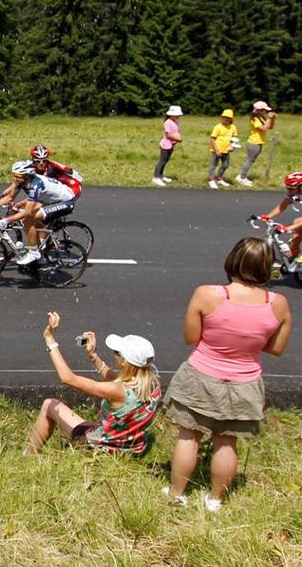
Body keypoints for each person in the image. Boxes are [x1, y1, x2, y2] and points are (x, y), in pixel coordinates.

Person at [164, 238, 291, 511]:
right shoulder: (278, 303)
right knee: (226, 441)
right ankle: (215, 499)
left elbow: (190, 337)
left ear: (233, 259)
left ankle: (177, 493)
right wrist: (248, 340)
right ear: (267, 266)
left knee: (189, 436)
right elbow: (277, 348)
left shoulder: (207, 294)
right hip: (245, 382)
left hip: (200, 374)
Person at [26, 311, 161, 456]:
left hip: (104, 450)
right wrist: (93, 355)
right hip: (133, 448)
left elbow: (67, 378)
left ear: (124, 361)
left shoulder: (117, 391)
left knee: (49, 404)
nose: (114, 355)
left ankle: (28, 456)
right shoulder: (152, 383)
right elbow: (115, 379)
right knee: (91, 424)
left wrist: (49, 339)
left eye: (116, 352)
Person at [0, 160, 76, 266]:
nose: (15, 178)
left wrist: (6, 220)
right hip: (50, 199)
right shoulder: (22, 181)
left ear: (26, 175)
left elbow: (27, 212)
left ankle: (34, 253)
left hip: (65, 202)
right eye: (14, 175)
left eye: (17, 176)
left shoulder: (35, 185)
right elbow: (9, 198)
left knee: (28, 220)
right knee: (31, 224)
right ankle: (41, 254)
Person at [260, 171, 302, 265]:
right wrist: (268, 216)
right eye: (287, 188)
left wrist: (288, 228)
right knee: (297, 232)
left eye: (291, 188)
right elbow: (282, 206)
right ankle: (294, 256)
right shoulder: (293, 192)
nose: (288, 190)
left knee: (297, 225)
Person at [236, 101, 278, 186]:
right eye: (264, 110)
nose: (266, 111)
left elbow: (270, 127)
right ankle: (241, 178)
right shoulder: (255, 119)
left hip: (259, 142)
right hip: (254, 142)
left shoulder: (261, 118)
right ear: (259, 110)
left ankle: (242, 176)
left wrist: (272, 119)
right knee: (249, 160)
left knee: (251, 160)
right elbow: (263, 128)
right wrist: (269, 118)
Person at [153, 105, 183, 186]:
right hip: (166, 145)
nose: (178, 116)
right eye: (176, 115)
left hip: (171, 144)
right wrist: (178, 139)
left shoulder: (175, 122)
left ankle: (161, 175)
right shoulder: (168, 122)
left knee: (166, 160)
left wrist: (176, 139)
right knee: (162, 160)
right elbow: (168, 134)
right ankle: (156, 177)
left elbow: (176, 131)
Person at [208, 109, 238, 189]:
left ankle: (220, 178)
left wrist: (232, 146)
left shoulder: (233, 127)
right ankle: (211, 180)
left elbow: (234, 138)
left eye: (228, 118)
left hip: (226, 150)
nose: (226, 119)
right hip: (217, 149)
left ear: (231, 119)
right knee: (213, 165)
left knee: (225, 165)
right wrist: (216, 150)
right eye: (224, 117)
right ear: (222, 117)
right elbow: (212, 138)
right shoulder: (218, 127)